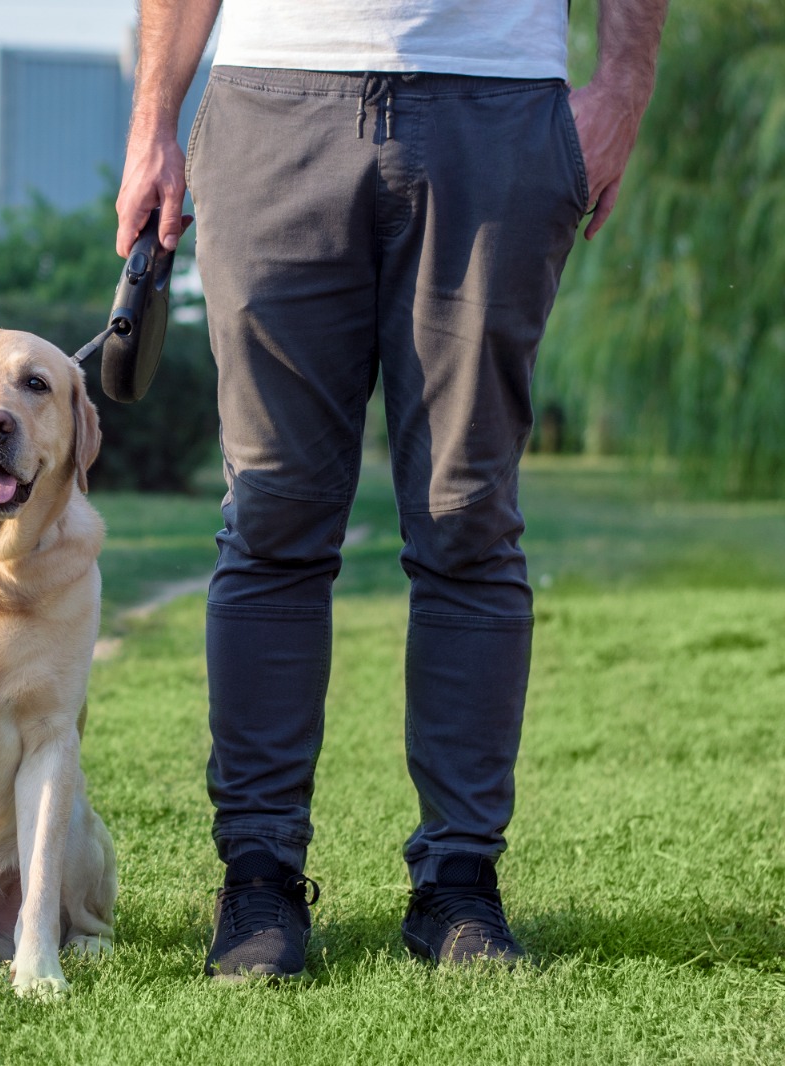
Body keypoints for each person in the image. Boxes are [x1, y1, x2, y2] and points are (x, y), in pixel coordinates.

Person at [115, 0, 667, 977]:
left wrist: (622, 86)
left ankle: (458, 886)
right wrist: (152, 119)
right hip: (271, 96)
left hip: (496, 104)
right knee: (270, 517)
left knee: (467, 521)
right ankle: (258, 883)